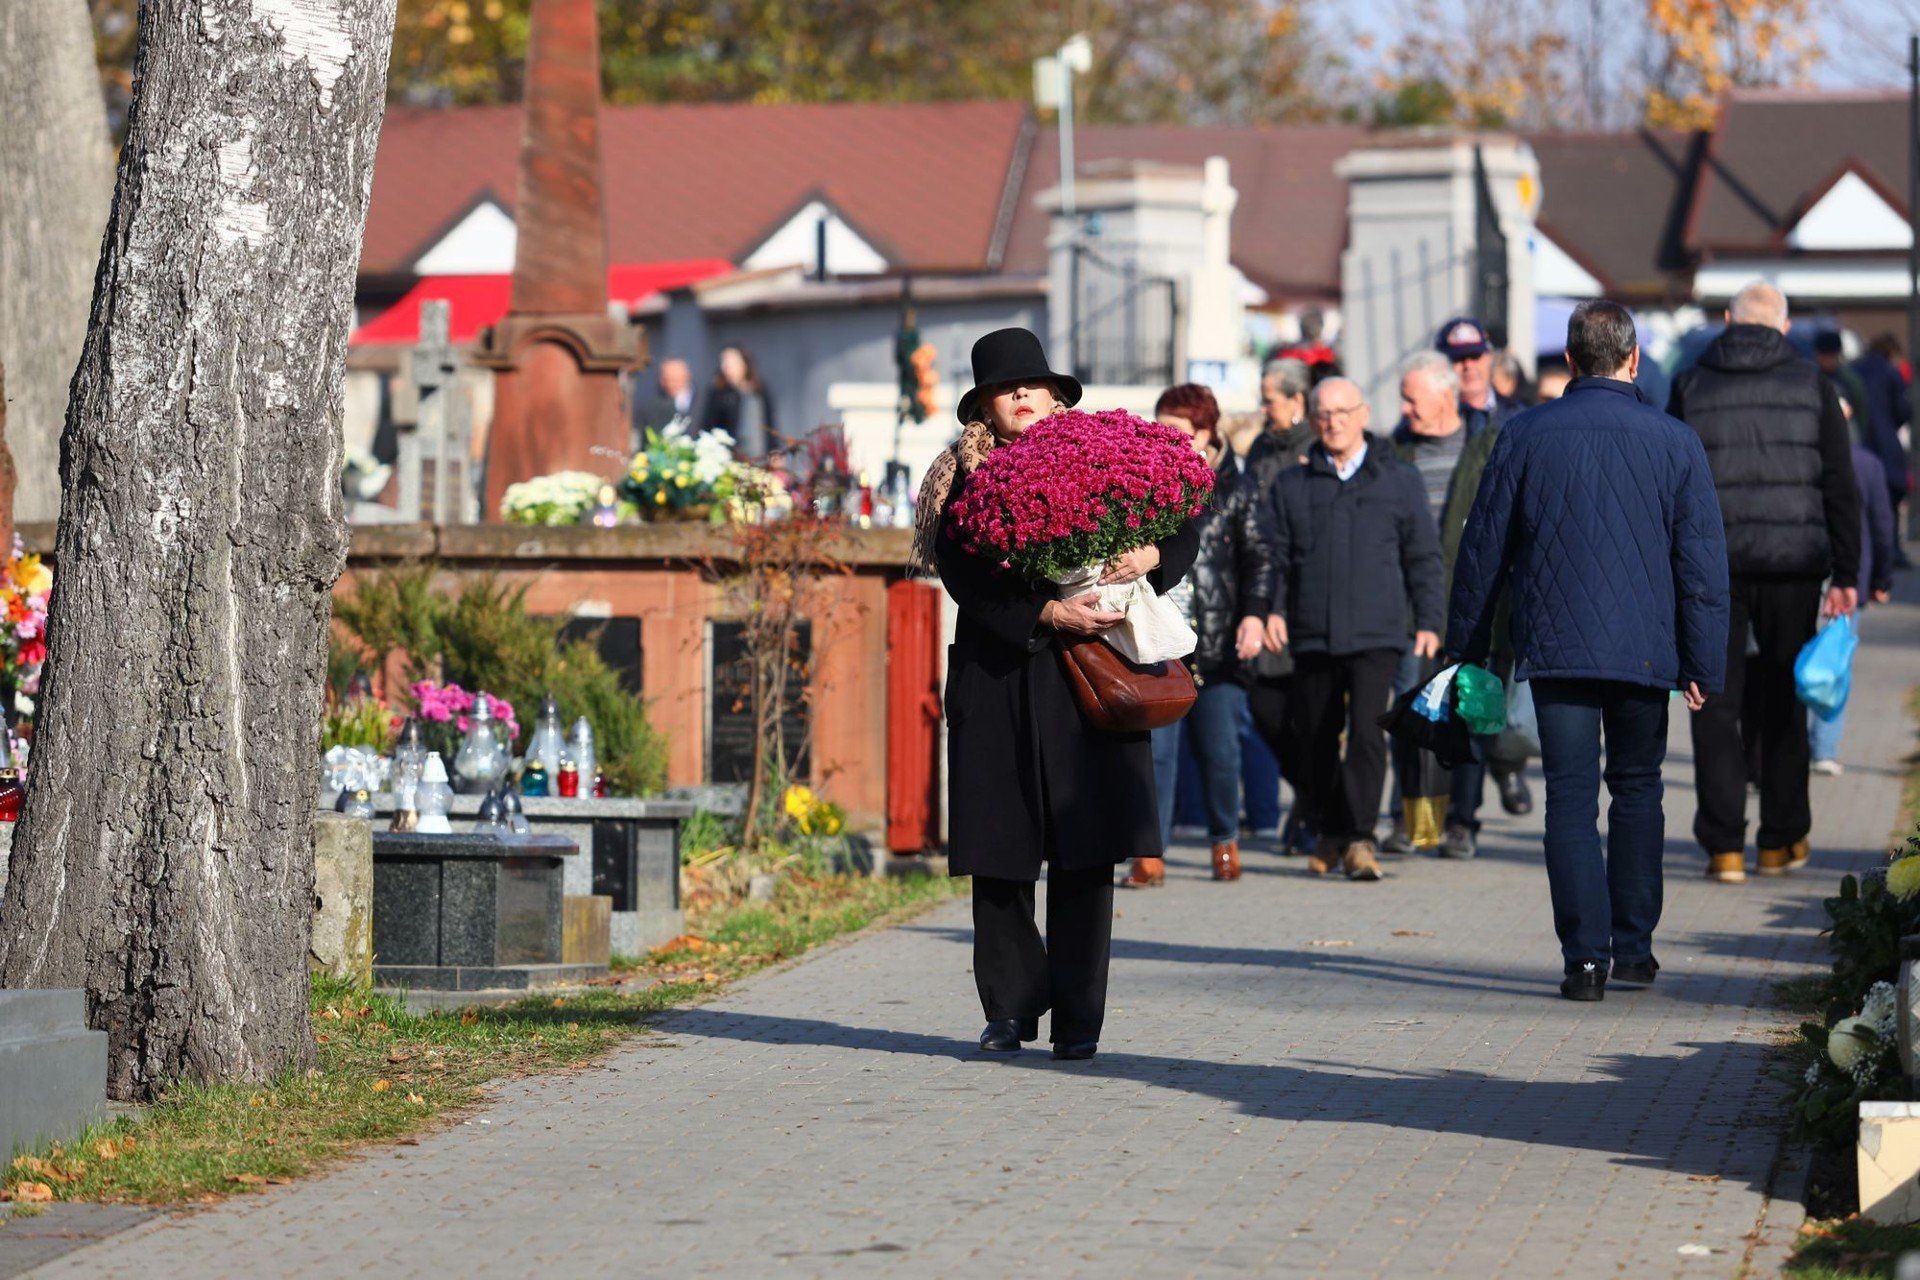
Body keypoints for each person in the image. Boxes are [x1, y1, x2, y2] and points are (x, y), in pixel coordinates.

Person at [914, 327, 1198, 1061]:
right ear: (982, 406)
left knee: (1086, 852)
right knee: (999, 854)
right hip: (1000, 672)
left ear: (1055, 394)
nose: (1022, 395)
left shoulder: (1105, 455)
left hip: (1089, 680)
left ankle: (1079, 1020)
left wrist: (1155, 553)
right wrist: (1045, 610)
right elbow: (964, 579)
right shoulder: (958, 479)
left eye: (1033, 384)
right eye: (1006, 388)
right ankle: (1009, 1007)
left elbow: (1187, 514)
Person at [1450, 299, 1729, 1001]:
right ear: (1634, 359)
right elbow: (1700, 565)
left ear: (1570, 362)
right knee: (1638, 791)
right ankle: (1634, 949)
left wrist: (1469, 649)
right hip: (1645, 652)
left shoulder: (1524, 434)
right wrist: (1704, 662)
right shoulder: (1675, 441)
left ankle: (1584, 961)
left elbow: (1482, 551)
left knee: (1570, 801)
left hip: (1557, 646)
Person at [1667, 281, 1860, 883]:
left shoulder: (1692, 383)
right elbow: (1838, 483)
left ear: (1727, 320)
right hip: (1792, 565)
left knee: (1714, 703)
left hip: (1712, 566)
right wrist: (1848, 572)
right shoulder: (1812, 385)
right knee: (1783, 698)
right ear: (1781, 325)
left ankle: (1724, 845)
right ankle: (1781, 840)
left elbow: (1671, 480)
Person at [1259, 378, 1444, 882]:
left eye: (1343, 411)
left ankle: (1360, 838)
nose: (1333, 421)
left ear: (1363, 414)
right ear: (1313, 419)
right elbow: (1275, 559)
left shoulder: (1397, 480)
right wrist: (1271, 609)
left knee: (1366, 735)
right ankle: (1332, 830)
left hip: (1376, 632)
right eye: (1324, 413)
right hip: (1312, 630)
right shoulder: (1292, 484)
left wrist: (1430, 619)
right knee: (1314, 737)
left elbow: (1423, 556)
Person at [1126, 384, 1272, 888]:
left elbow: (1260, 560)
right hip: (1158, 639)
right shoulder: (1141, 483)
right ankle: (1150, 853)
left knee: (1220, 751)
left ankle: (1224, 842)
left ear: (1204, 434)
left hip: (1217, 642)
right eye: (1157, 426)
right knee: (1157, 752)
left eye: (1174, 431)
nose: (1160, 438)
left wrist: (1254, 615)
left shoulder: (1235, 487)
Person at [1390, 352, 1510, 859]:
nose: (1405, 408)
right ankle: (1417, 823)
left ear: (1444, 396)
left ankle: (1463, 820)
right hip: (1413, 608)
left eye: (1411, 398)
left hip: (1477, 608)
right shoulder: (1396, 453)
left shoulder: (1486, 448)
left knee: (1472, 716)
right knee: (1414, 720)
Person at [1810, 400, 1897, 776]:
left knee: (1789, 661)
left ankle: (1788, 748)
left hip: (1804, 573)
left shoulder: (1804, 459)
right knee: (1835, 666)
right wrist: (1881, 580)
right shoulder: (1868, 464)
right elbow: (1882, 526)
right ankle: (1824, 749)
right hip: (1849, 580)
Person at [1851, 334, 1913, 564]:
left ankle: (1867, 554)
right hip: (1886, 446)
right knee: (1889, 502)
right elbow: (1904, 411)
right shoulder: (1890, 373)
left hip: (1858, 443)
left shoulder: (1853, 369)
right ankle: (1891, 551)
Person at [1436, 315, 1522, 438]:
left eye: (1475, 356)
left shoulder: (1519, 416)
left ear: (1490, 357)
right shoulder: (1428, 420)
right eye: (1458, 358)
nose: (1468, 365)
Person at [699, 346, 775, 461]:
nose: (726, 366)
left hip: (759, 455)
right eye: (724, 362)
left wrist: (774, 450)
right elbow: (710, 426)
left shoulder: (759, 390)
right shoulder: (718, 393)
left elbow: (769, 423)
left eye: (731, 362)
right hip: (731, 458)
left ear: (744, 364)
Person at [1244, 358, 1316, 473]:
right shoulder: (1261, 445)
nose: (1263, 409)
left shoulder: (1317, 448)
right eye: (1262, 402)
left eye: (1269, 402)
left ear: (1297, 400)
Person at [631, 357, 700, 442]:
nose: (671, 384)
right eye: (667, 379)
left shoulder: (704, 402)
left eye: (675, 380)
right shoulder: (652, 407)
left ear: (687, 377)